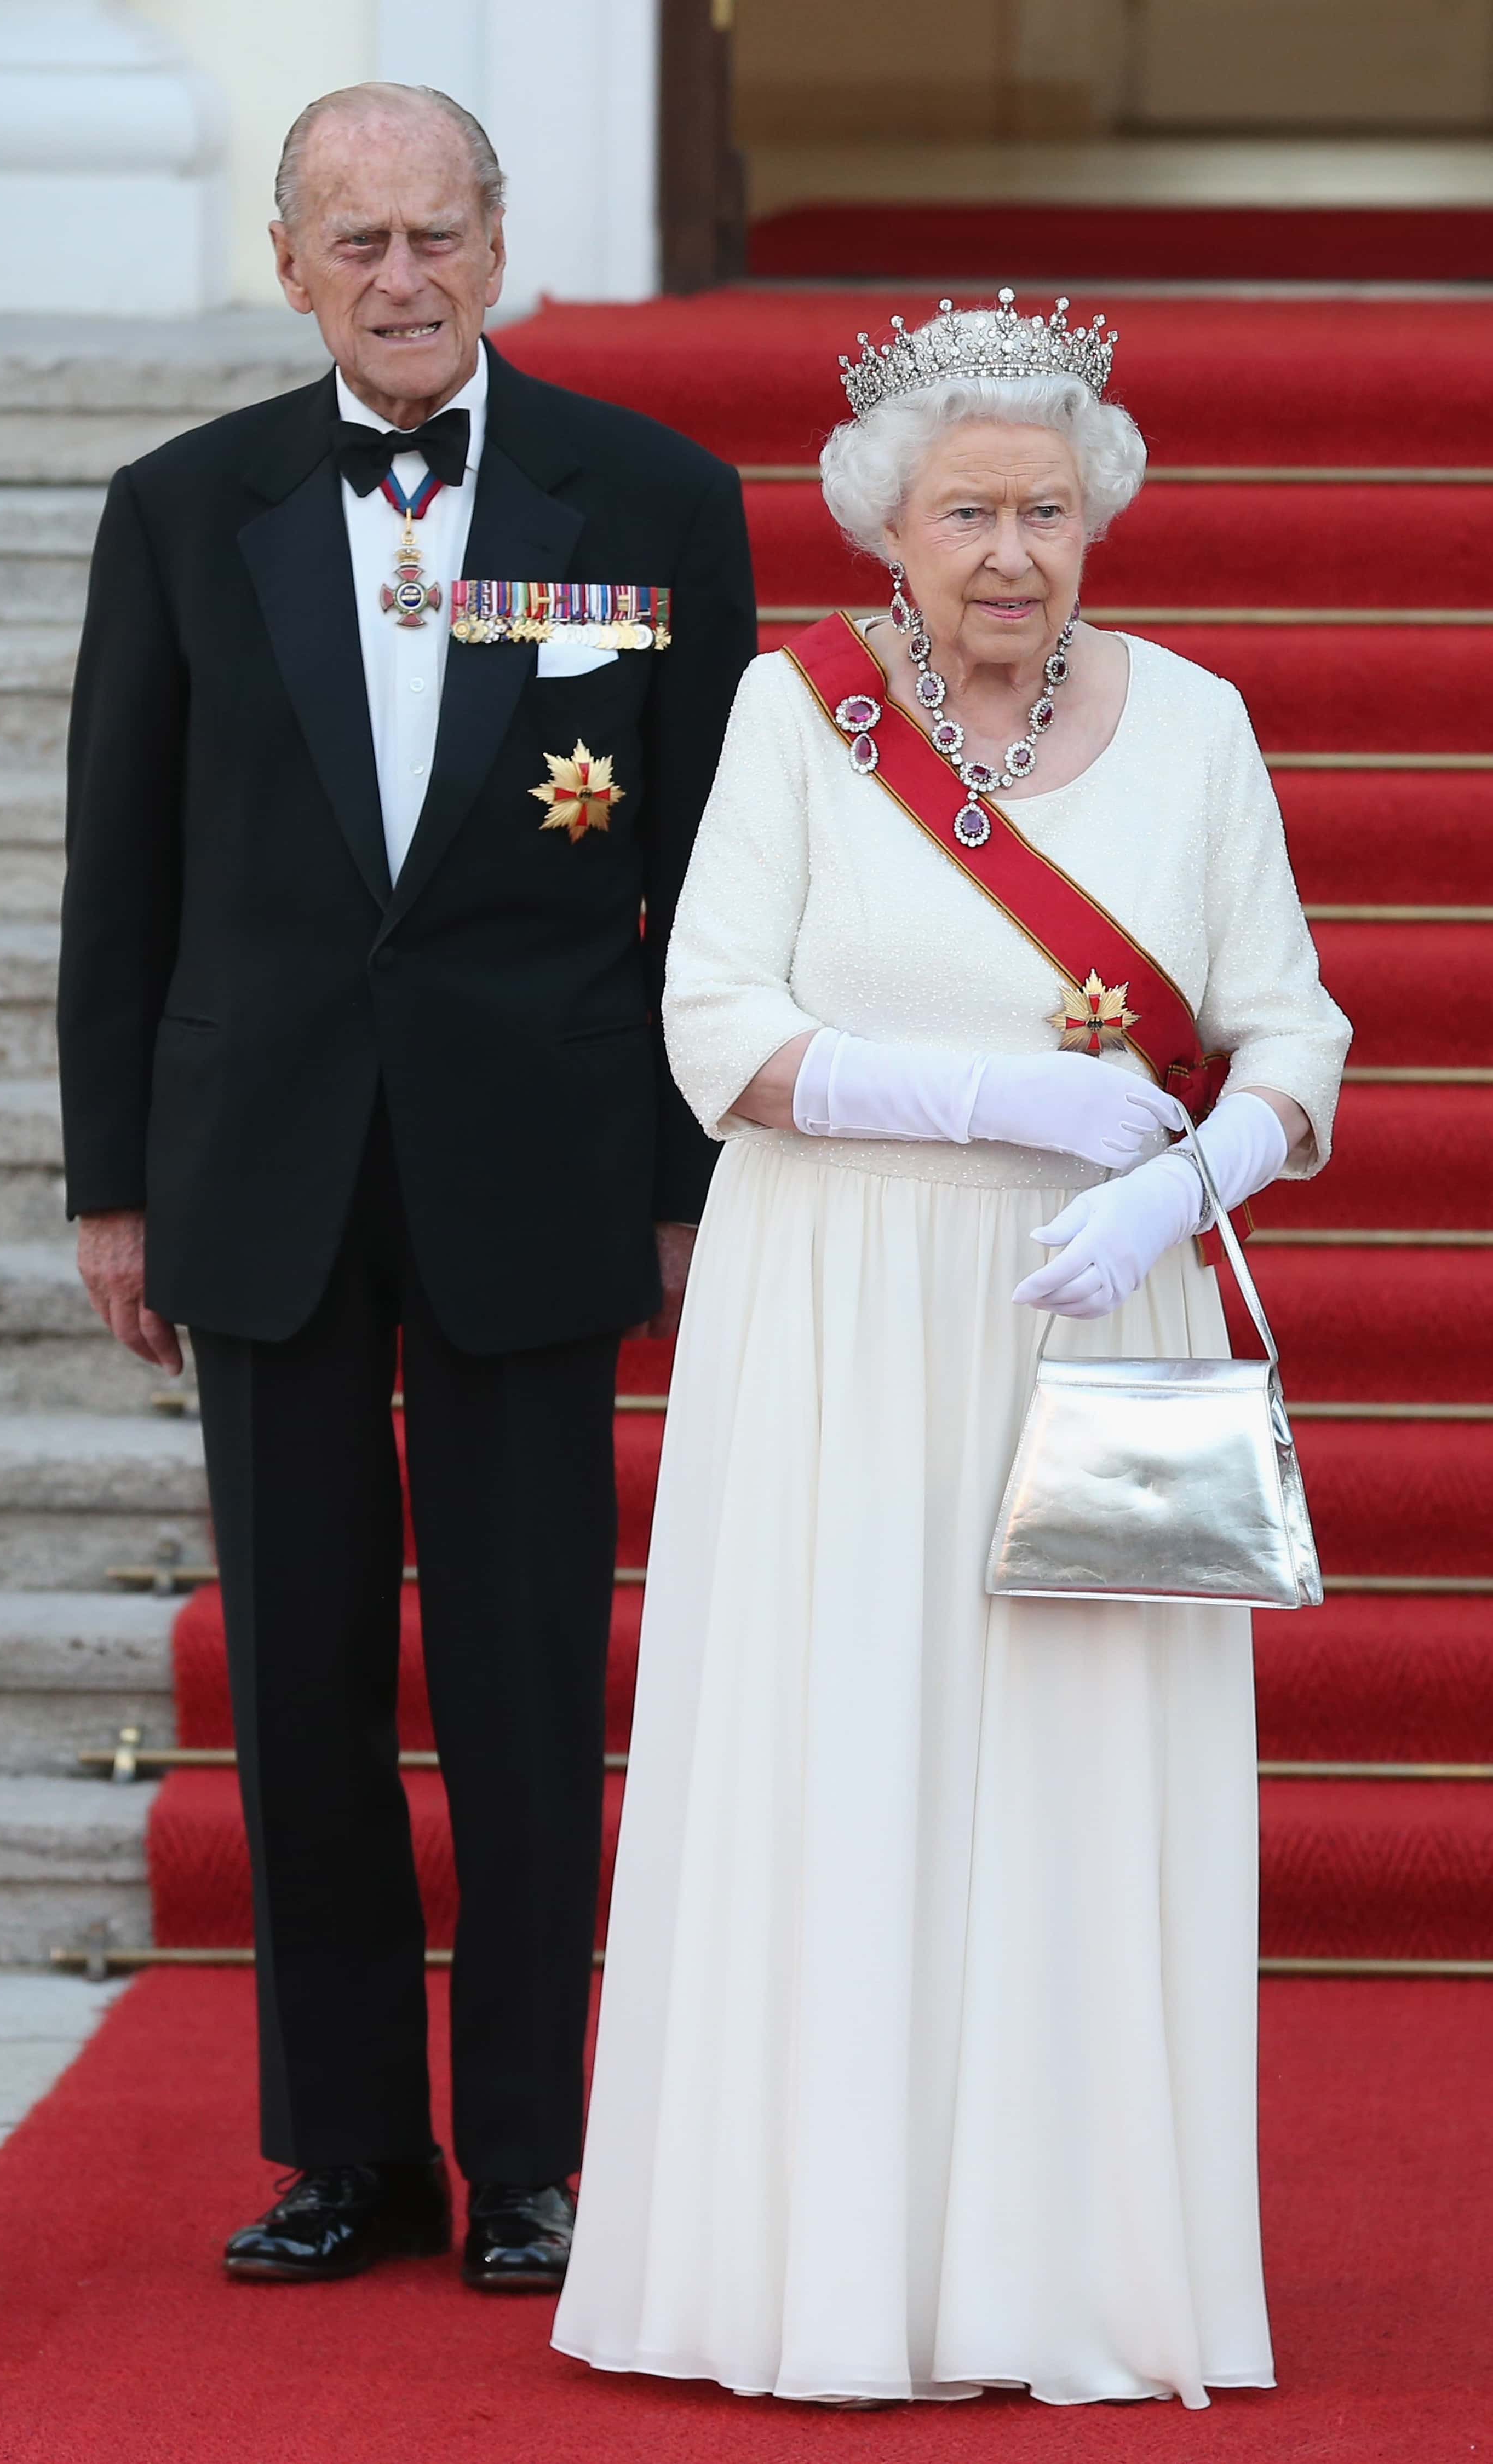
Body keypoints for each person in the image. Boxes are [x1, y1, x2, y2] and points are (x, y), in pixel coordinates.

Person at [554, 294, 1350, 2405]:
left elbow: (1295, 1032)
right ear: (885, 535)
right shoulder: (789, 716)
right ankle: (817, 2271)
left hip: (1098, 1317)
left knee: (1086, 1791)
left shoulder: (1197, 722)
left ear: (1103, 519)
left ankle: (1062, 2276)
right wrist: (997, 1100)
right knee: (844, 1768)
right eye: (970, 512)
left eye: (1052, 510)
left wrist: (1190, 1183)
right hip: (838, 1315)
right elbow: (712, 1026)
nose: (1016, 550)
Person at [58, 82, 755, 2289]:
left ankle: (539, 2158)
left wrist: (675, 1174)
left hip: (535, 1167)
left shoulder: (646, 499)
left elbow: (711, 885)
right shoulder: (184, 507)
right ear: (289, 263)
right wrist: (110, 1187)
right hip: (255, 1167)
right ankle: (347, 2150)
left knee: (533, 1679)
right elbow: (121, 876)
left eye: (432, 234)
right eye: (351, 240)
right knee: (302, 1682)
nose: (397, 275)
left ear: (495, 240)